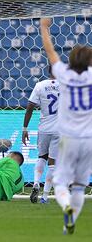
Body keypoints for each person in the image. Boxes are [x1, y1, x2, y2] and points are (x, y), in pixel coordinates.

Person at [39, 17, 92, 235]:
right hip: (89, 139)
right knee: (79, 184)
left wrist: (44, 27)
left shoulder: (63, 74)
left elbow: (50, 51)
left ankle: (66, 207)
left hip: (68, 138)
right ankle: (68, 223)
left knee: (60, 183)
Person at [22, 65, 59, 204]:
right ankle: (44, 197)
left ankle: (36, 182)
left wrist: (25, 128)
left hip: (44, 128)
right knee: (53, 163)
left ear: (48, 71)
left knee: (41, 157)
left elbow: (30, 106)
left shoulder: (40, 85)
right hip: (59, 130)